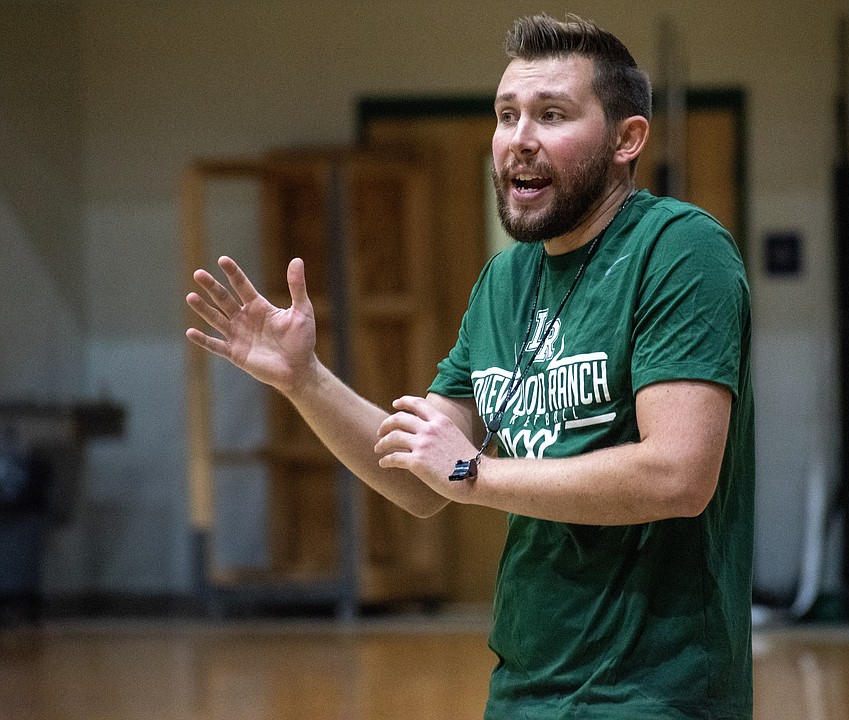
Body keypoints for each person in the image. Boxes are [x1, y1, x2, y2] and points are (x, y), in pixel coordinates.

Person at [186, 13, 754, 720]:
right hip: (524, 687)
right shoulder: (504, 282)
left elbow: (677, 475)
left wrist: (473, 473)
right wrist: (306, 381)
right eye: (506, 115)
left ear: (626, 139)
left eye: (551, 115)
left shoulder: (681, 251)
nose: (519, 138)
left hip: (657, 694)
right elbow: (422, 479)